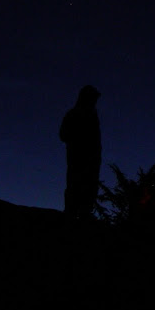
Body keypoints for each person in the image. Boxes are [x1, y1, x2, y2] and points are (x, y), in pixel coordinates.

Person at [60, 85, 102, 217]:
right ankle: (71, 212)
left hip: (92, 158)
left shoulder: (93, 115)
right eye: (92, 97)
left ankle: (84, 212)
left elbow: (95, 139)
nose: (94, 101)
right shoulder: (73, 114)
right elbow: (63, 135)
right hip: (77, 157)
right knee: (75, 182)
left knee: (90, 183)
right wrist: (78, 140)